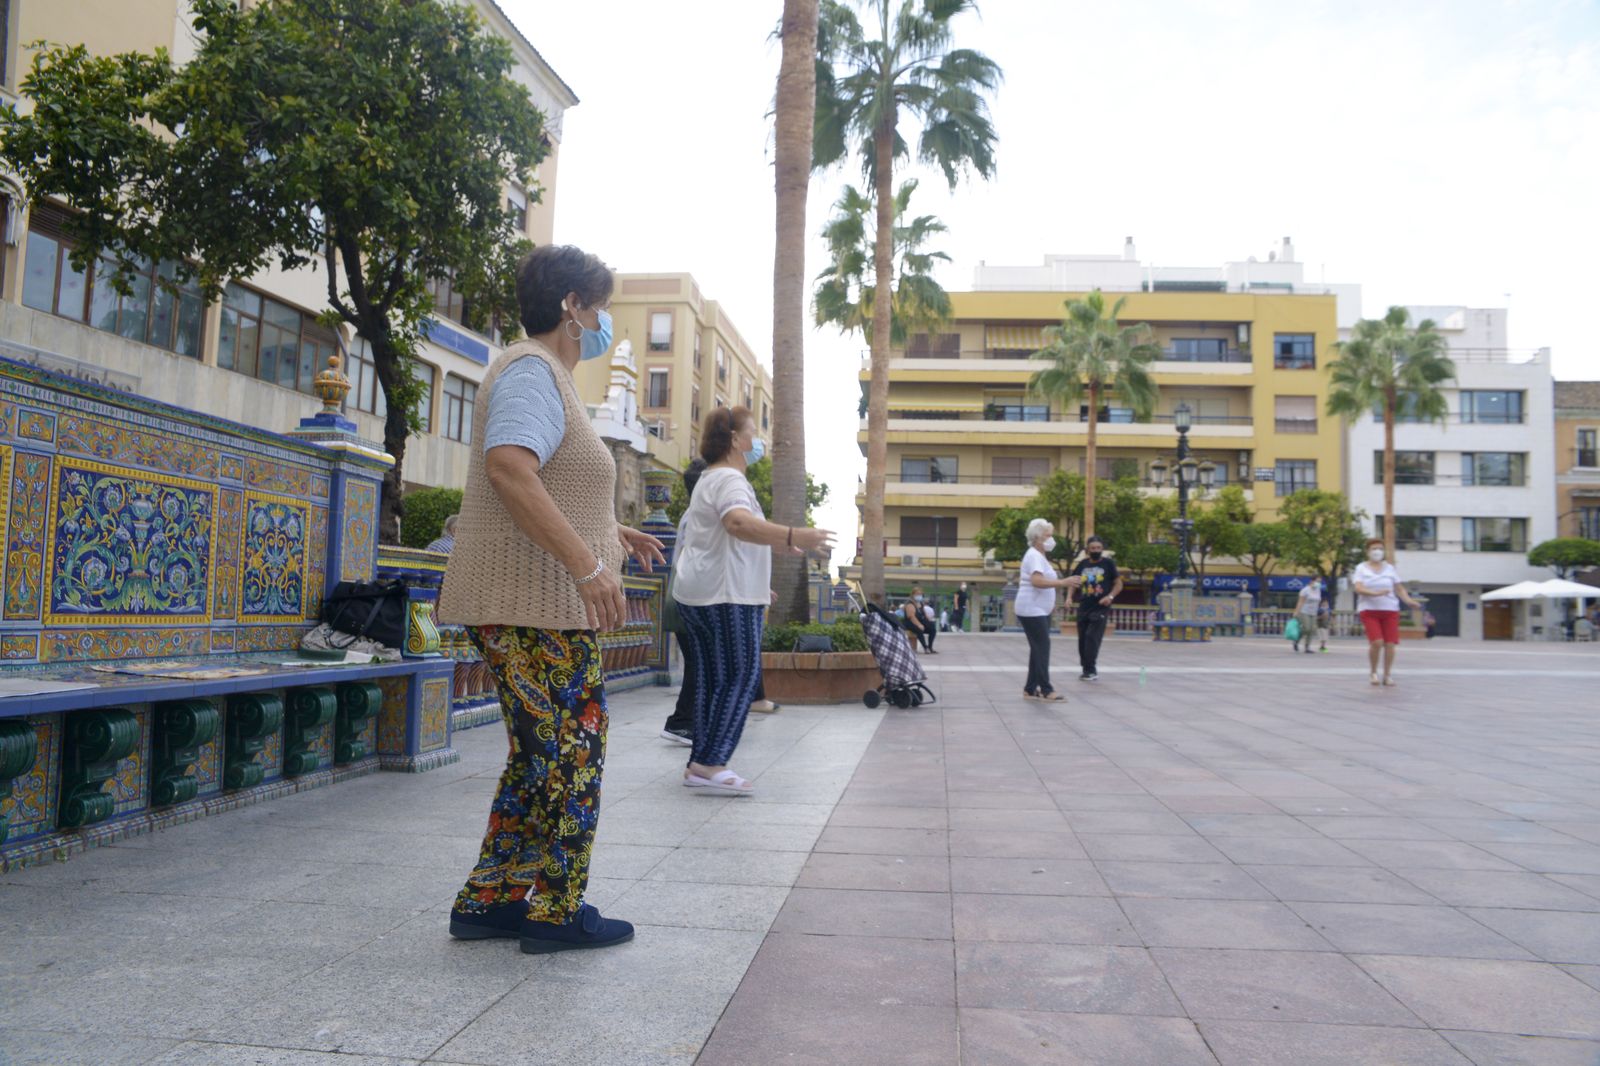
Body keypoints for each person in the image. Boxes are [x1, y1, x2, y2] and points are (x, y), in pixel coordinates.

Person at [438, 244, 666, 954]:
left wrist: (610, 529)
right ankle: (557, 910)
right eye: (596, 307)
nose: (601, 323)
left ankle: (490, 902)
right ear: (572, 305)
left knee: (539, 757)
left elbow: (552, 476)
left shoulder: (545, 378)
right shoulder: (534, 371)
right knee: (575, 753)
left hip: (526, 605)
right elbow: (512, 468)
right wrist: (588, 564)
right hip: (536, 607)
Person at [672, 405, 834, 796]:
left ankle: (700, 762)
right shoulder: (730, 479)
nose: (758, 440)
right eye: (752, 432)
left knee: (712, 679)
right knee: (739, 678)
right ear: (735, 440)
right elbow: (737, 524)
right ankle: (711, 764)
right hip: (725, 596)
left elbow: (728, 537)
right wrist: (796, 535)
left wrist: (778, 548)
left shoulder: (712, 478)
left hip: (701, 592)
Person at [660, 460, 709, 746]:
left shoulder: (695, 514)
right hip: (687, 598)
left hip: (685, 596)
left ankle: (688, 722)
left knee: (698, 663)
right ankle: (680, 723)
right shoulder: (697, 517)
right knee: (699, 663)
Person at [1016, 518, 1080, 700]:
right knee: (1042, 647)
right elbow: (1037, 581)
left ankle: (1030, 688)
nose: (1051, 539)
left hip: (1038, 609)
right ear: (1038, 538)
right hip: (1031, 609)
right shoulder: (1034, 556)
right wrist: (1063, 582)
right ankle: (1046, 688)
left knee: (1038, 648)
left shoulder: (1039, 555)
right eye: (1048, 536)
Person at [1352, 537, 1421, 687]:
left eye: (1380, 549)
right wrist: (1374, 593)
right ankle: (1373, 672)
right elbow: (1358, 588)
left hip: (1390, 610)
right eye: (1374, 549)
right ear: (1367, 551)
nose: (1377, 552)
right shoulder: (1361, 568)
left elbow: (1399, 588)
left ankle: (1388, 675)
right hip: (1369, 610)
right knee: (1377, 642)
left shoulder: (1390, 568)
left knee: (1390, 644)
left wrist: (1408, 600)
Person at [1070, 534, 1122, 681]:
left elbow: (1119, 584)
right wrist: (1069, 597)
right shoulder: (1082, 564)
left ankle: (1091, 670)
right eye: (1093, 548)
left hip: (1100, 607)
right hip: (1084, 606)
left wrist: (1110, 597)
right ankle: (1086, 668)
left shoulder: (1108, 564)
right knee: (1082, 639)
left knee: (1092, 637)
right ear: (1087, 549)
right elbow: (1074, 582)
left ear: (1102, 549)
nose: (1096, 550)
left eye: (1098, 548)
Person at [1292, 577, 1322, 654]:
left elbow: (1318, 601)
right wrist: (1296, 612)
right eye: (1317, 581)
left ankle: (1307, 647)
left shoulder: (1318, 590)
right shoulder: (1305, 590)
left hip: (1314, 612)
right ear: (1312, 581)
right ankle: (1296, 640)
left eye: (1320, 582)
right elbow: (1300, 602)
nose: (1319, 583)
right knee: (1307, 628)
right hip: (1304, 612)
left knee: (1312, 630)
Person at [901, 586, 933, 653]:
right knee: (919, 630)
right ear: (913, 595)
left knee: (932, 629)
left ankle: (930, 647)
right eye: (917, 594)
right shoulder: (909, 604)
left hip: (920, 621)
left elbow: (924, 613)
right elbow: (911, 616)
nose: (919, 596)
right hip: (910, 623)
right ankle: (925, 647)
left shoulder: (920, 603)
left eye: (920, 594)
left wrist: (928, 621)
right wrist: (919, 625)